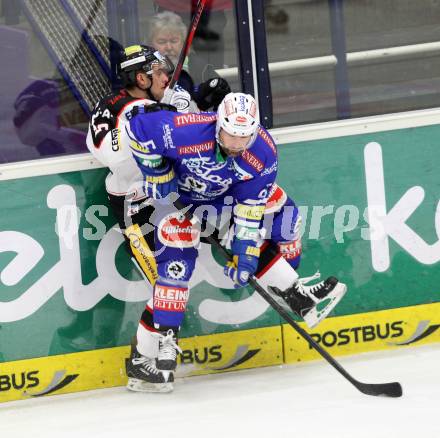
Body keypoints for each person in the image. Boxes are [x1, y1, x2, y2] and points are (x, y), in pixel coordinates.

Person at [118, 92, 347, 393]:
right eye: (231, 135)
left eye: (245, 136)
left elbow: (249, 212)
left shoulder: (262, 153)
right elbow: (136, 128)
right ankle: (147, 356)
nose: (237, 144)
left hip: (212, 201)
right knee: (177, 265)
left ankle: (296, 294)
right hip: (164, 200)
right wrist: (157, 173)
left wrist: (245, 255)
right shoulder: (187, 130)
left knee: (262, 221)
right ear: (218, 125)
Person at [147, 10, 230, 110]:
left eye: (174, 41)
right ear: (150, 44)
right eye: (162, 41)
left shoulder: (200, 66)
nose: (168, 47)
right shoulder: (144, 70)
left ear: (184, 43)